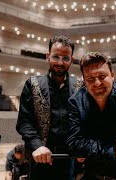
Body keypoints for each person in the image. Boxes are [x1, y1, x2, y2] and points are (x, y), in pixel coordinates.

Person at [66, 52, 116, 179]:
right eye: (90, 78)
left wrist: (88, 146)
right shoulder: (75, 101)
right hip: (91, 176)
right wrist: (114, 149)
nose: (97, 83)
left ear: (112, 75)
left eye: (102, 76)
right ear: (84, 80)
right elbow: (74, 145)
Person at [16, 35, 78, 180]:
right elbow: (24, 122)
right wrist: (37, 146)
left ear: (72, 60)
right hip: (40, 157)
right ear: (48, 56)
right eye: (56, 57)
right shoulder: (32, 84)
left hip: (69, 159)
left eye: (66, 58)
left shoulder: (80, 87)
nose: (60, 62)